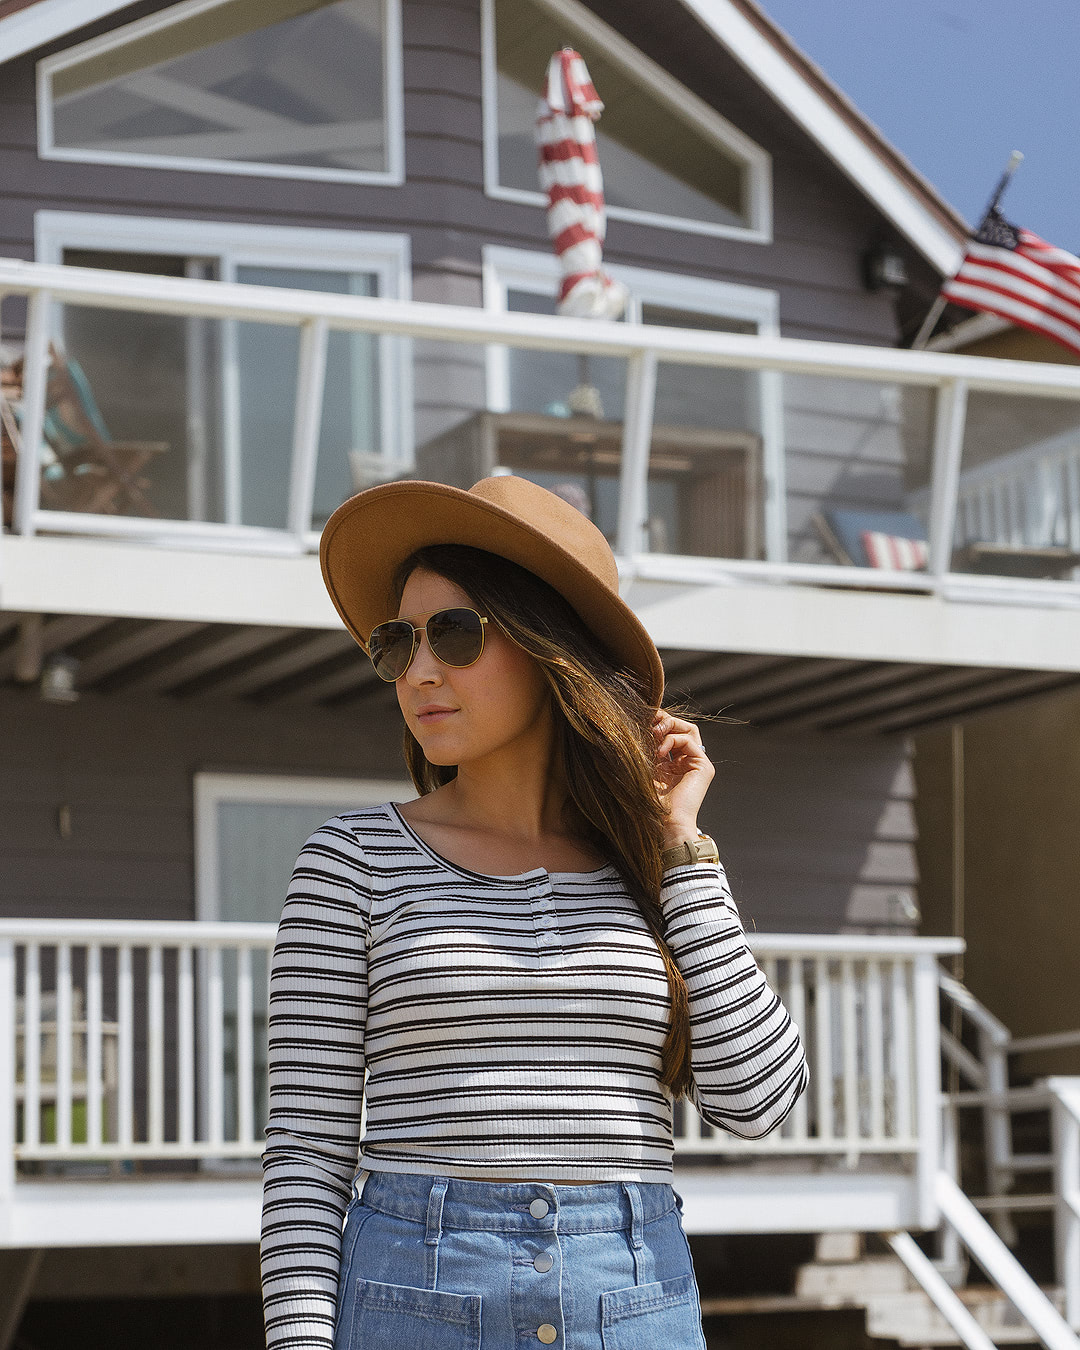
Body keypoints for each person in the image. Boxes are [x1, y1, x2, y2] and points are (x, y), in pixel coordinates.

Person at [260, 474, 809, 1350]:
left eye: (454, 633)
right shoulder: (352, 859)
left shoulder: (654, 867)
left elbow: (762, 1102)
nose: (420, 670)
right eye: (399, 643)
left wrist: (680, 848)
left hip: (635, 1299)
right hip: (413, 1297)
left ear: (551, 646)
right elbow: (306, 1154)